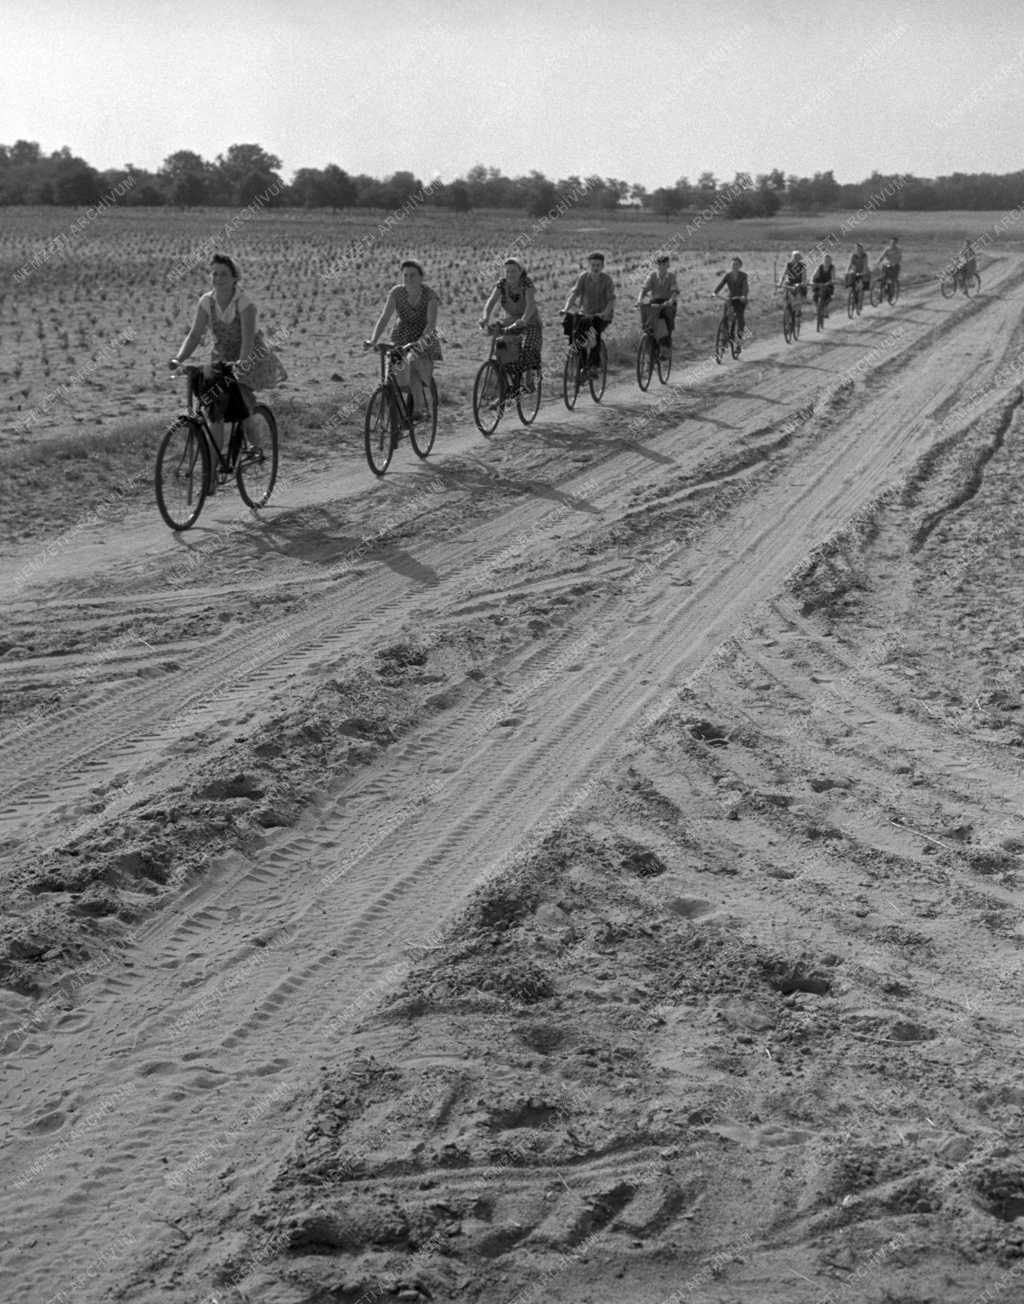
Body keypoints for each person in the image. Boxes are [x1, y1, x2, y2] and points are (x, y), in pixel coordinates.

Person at [169, 254, 265, 487]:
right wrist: (178, 358)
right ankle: (211, 472)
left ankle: (257, 448)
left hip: (249, 356)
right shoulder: (206, 301)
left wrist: (241, 363)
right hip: (221, 357)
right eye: (214, 273)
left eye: (223, 273)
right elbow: (194, 334)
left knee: (244, 408)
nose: (218, 278)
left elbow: (248, 339)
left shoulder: (244, 303)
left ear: (235, 278)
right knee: (215, 412)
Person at [366, 259, 442, 418]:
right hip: (402, 334)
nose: (408, 279)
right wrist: (373, 340)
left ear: (421, 277)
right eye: (405, 275)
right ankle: (395, 413)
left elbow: (431, 323)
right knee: (394, 370)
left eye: (413, 275)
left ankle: (419, 409)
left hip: (424, 337)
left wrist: (419, 343)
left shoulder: (430, 296)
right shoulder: (396, 292)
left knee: (413, 368)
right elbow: (385, 317)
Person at [480, 258, 541, 391]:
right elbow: (491, 302)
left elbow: (530, 304)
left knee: (528, 347)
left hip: (529, 320)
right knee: (502, 347)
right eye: (507, 271)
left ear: (521, 271)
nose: (510, 274)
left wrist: (523, 320)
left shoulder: (526, 283)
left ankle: (528, 374)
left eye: (513, 271)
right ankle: (505, 386)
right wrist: (485, 317)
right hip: (511, 320)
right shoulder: (502, 284)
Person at [562, 251, 615, 374]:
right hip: (585, 314)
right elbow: (575, 293)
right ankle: (581, 365)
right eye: (593, 265)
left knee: (594, 334)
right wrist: (566, 308)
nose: (595, 268)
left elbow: (611, 299)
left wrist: (604, 313)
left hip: (602, 315)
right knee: (574, 330)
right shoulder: (583, 277)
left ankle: (594, 366)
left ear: (602, 266)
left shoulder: (607, 280)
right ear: (589, 266)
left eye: (598, 265)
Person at [637, 254, 679, 358]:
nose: (662, 267)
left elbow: (674, 292)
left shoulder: (671, 276)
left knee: (666, 317)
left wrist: (670, 301)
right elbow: (644, 289)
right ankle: (649, 344)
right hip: (655, 301)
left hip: (668, 302)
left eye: (664, 264)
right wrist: (639, 300)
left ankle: (666, 344)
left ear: (668, 265)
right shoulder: (652, 276)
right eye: (660, 264)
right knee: (647, 318)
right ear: (657, 265)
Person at [713, 257, 749, 338]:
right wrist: (714, 292)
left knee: (740, 317)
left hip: (739, 299)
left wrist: (744, 295)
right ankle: (725, 335)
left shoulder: (743, 276)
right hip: (730, 298)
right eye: (733, 264)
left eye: (736, 264)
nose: (734, 266)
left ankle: (740, 336)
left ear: (740, 266)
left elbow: (745, 287)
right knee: (725, 316)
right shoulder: (728, 276)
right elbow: (721, 284)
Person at [779, 249, 808, 318]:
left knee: (798, 294)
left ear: (799, 259)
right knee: (786, 292)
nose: (796, 259)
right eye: (795, 257)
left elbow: (804, 277)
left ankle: (798, 310)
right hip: (790, 282)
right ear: (792, 258)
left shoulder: (802, 266)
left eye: (797, 258)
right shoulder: (788, 265)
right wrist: (780, 282)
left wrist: (802, 283)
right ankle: (787, 306)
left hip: (799, 283)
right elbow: (784, 274)